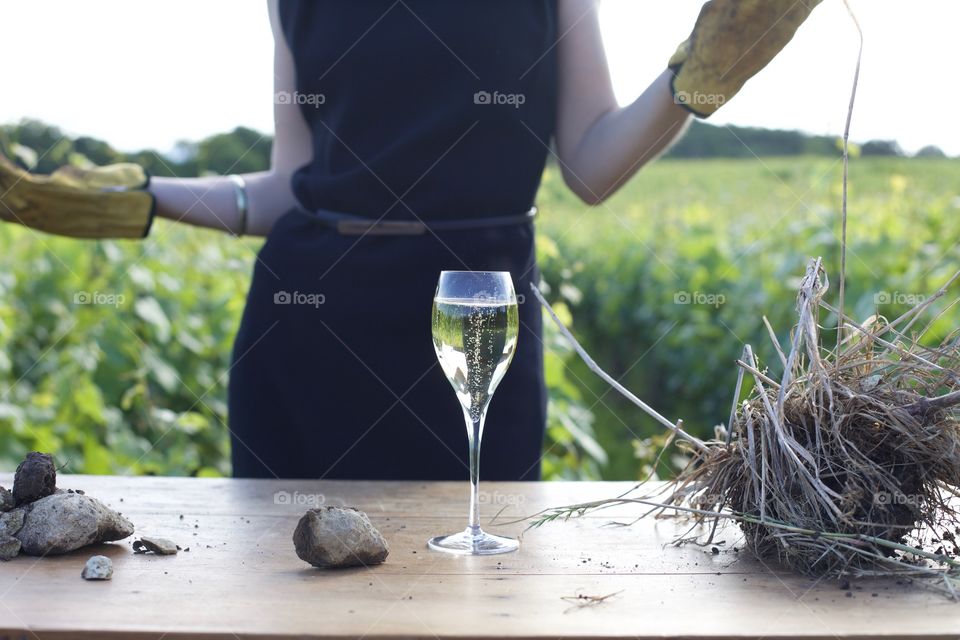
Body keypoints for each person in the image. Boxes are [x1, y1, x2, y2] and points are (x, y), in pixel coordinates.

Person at [0, 0, 819, 480]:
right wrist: (141, 201)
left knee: (479, 593)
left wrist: (697, 77)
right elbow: (293, 184)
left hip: (477, 323)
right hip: (303, 332)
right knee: (284, 598)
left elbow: (591, 166)